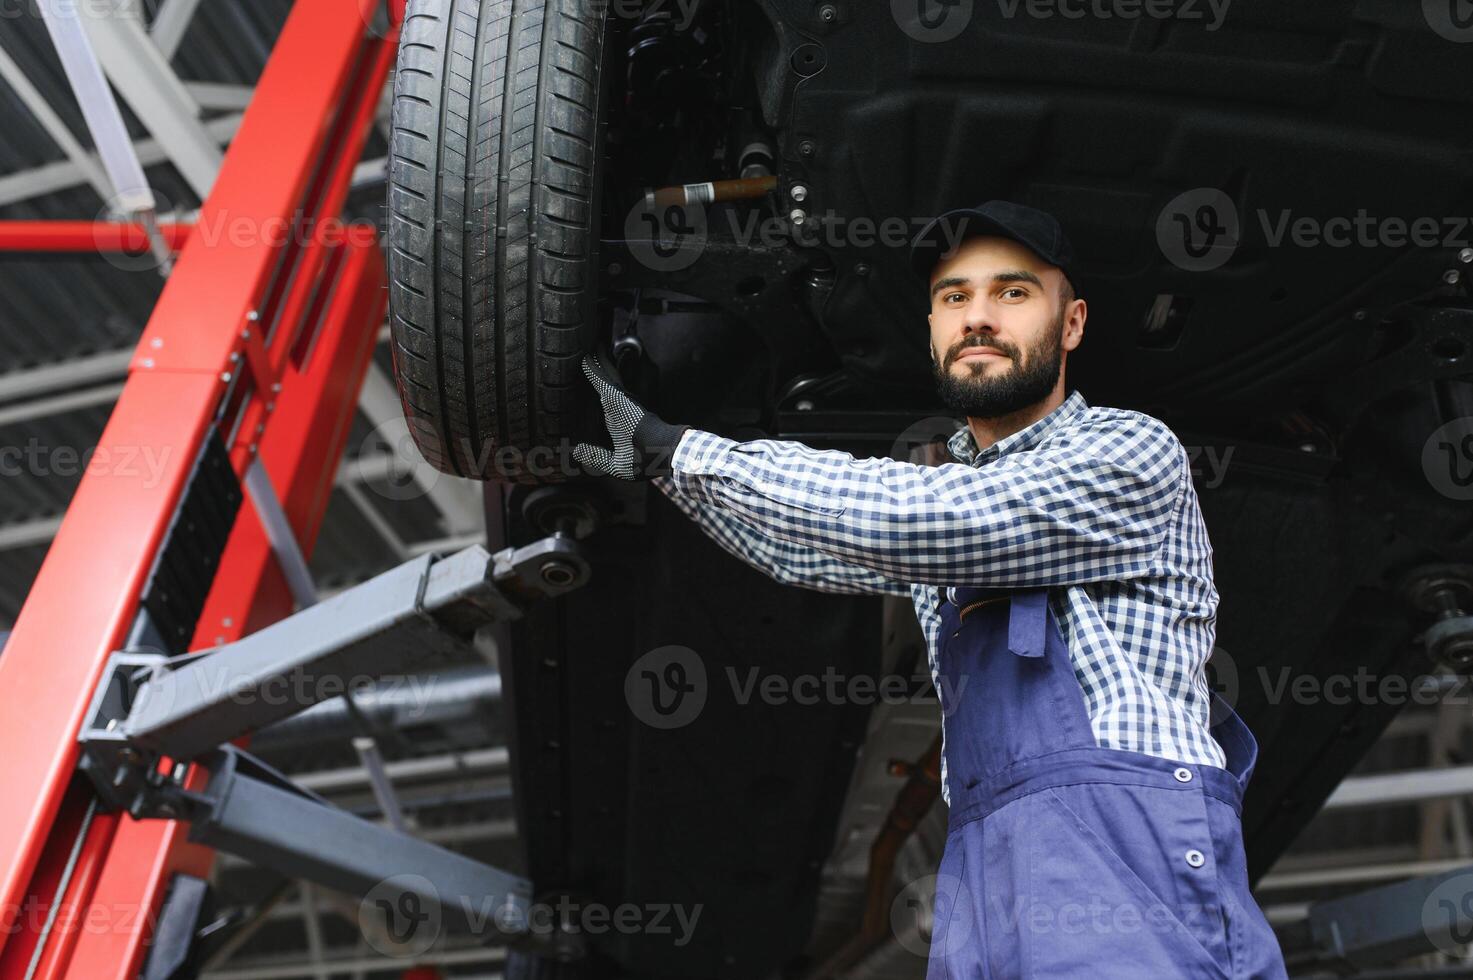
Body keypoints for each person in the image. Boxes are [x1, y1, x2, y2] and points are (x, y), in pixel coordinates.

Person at [571, 200, 1288, 978]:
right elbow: (801, 553)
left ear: (1072, 322)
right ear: (932, 329)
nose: (977, 317)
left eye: (1012, 293)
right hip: (984, 853)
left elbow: (927, 517)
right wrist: (659, 464)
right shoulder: (947, 492)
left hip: (1118, 834)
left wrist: (682, 448)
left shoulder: (1127, 451)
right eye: (954, 298)